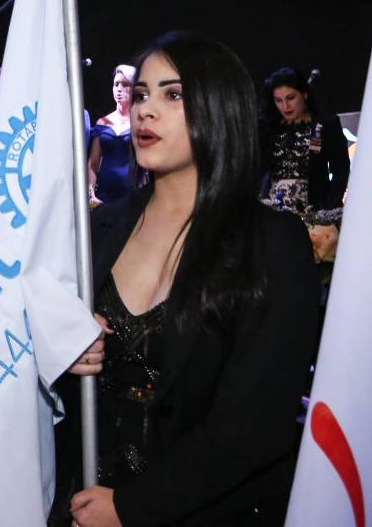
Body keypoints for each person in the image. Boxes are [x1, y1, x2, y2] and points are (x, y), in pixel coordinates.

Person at [51, 32, 322, 527]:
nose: (145, 111)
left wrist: (131, 508)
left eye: (172, 94)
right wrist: (62, 349)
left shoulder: (270, 243)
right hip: (80, 502)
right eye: (141, 94)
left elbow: (256, 426)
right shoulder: (98, 230)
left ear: (220, 107)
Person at [259, 67, 350, 219]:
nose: (285, 106)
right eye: (278, 100)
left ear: (305, 94)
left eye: (290, 98)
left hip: (313, 215)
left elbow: (341, 169)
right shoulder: (268, 129)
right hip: (273, 216)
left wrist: (327, 208)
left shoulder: (326, 124)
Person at [88, 64, 134, 207]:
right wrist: (90, 194)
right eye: (116, 84)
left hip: (132, 195)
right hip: (104, 195)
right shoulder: (102, 122)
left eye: (125, 84)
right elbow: (93, 163)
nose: (119, 89)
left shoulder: (140, 121)